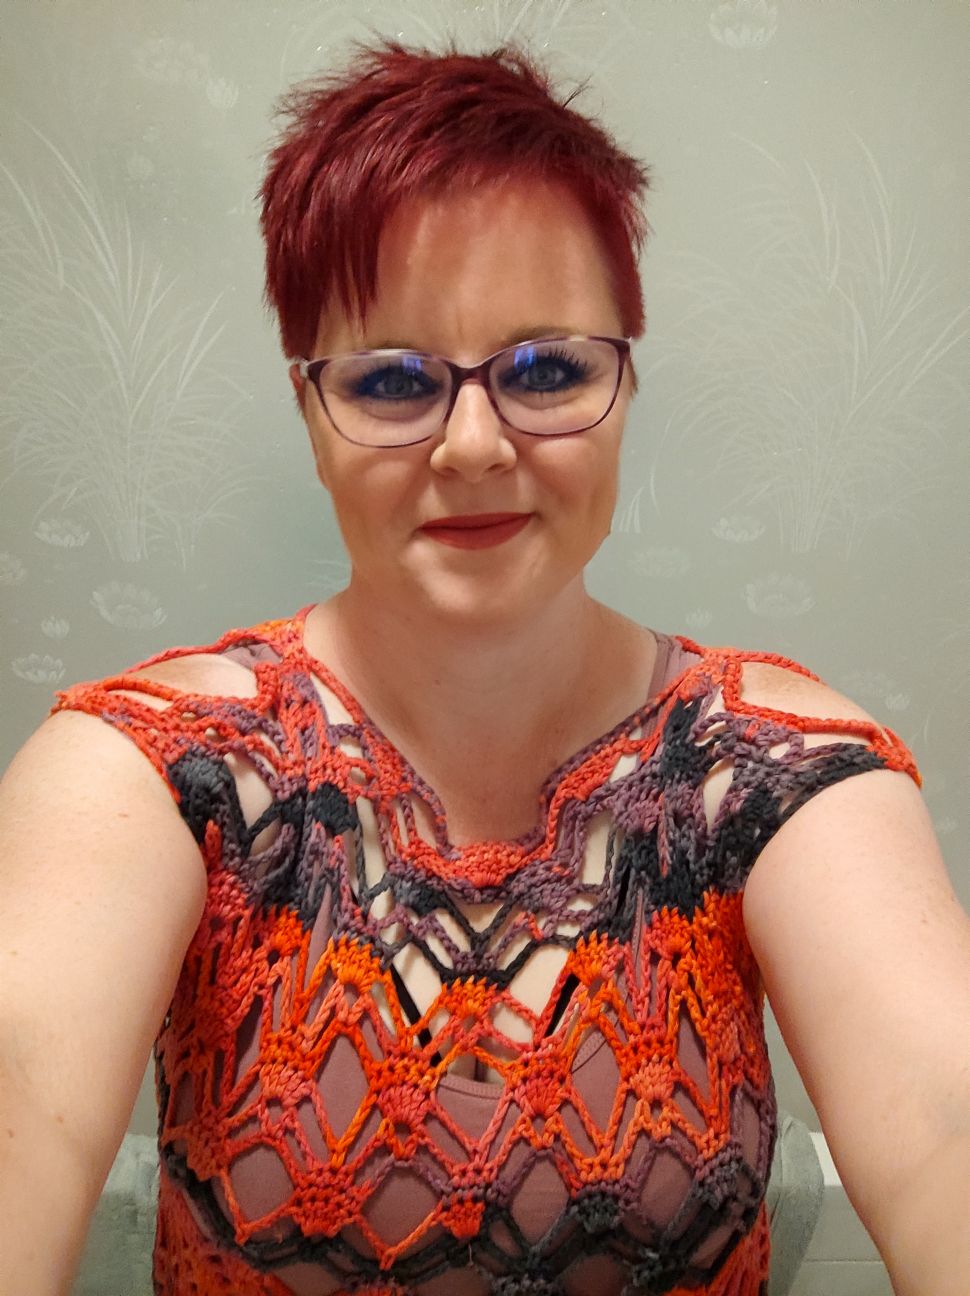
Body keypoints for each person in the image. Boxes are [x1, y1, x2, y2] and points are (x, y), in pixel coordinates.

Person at [1, 40, 968, 1296]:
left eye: (547, 370)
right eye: (393, 381)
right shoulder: (149, 766)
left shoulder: (777, 769)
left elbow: (943, 1115)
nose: (472, 447)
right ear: (311, 416)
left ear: (624, 387)